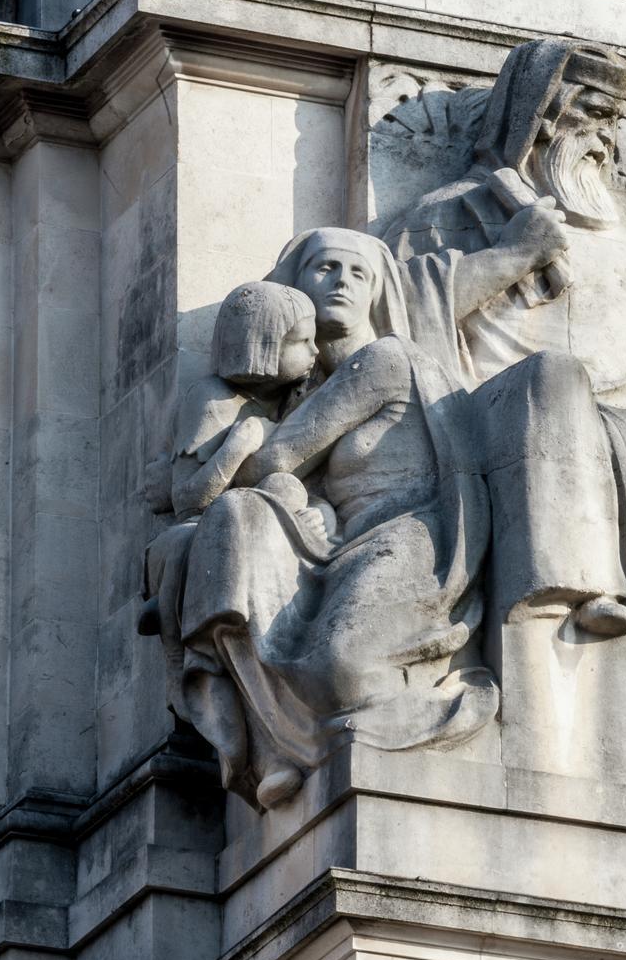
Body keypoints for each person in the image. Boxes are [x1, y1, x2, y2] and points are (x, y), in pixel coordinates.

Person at [384, 38, 626, 655]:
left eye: (614, 124)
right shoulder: (449, 213)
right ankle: (570, 593)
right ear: (542, 119)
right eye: (592, 118)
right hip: (505, 427)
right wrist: (509, 257)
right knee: (557, 378)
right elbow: (392, 316)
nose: (605, 142)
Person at [175, 228, 536, 809]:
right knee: (235, 521)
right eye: (325, 268)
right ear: (296, 286)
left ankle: (418, 712)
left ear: (376, 293)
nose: (342, 281)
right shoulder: (299, 392)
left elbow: (278, 457)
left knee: (339, 666)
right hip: (340, 547)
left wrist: (250, 441)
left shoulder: (383, 359)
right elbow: (278, 474)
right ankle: (267, 752)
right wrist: (307, 503)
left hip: (412, 533)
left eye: (358, 272)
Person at [137, 281, 321, 675]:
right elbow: (187, 497)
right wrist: (240, 443)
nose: (316, 352)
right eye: (303, 342)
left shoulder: (294, 396)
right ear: (264, 346)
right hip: (198, 529)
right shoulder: (213, 399)